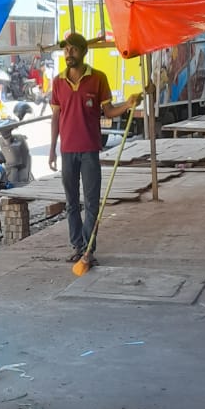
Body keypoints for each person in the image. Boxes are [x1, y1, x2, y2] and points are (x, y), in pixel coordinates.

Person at [48, 32, 140, 264]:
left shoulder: (98, 78)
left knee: (91, 203)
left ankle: (89, 250)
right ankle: (77, 247)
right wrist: (52, 149)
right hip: (67, 151)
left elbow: (108, 111)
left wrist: (128, 105)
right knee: (71, 204)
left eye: (73, 49)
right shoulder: (58, 82)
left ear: (83, 52)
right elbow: (55, 118)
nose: (68, 53)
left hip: (89, 150)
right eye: (66, 50)